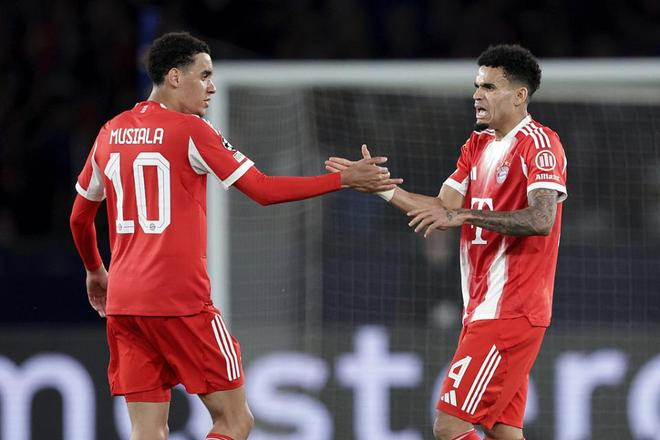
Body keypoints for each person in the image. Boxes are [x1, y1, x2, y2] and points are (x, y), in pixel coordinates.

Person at [69, 32, 401, 440]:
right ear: (174, 77)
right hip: (180, 302)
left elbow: (79, 218)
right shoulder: (192, 130)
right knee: (234, 421)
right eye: (204, 75)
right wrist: (343, 180)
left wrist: (95, 270)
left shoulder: (110, 132)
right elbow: (263, 189)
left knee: (147, 430)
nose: (212, 87)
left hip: (124, 304)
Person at [326, 44, 567, 440]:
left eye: (489, 87)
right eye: (477, 86)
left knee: (450, 425)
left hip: (512, 308)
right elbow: (441, 209)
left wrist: (465, 215)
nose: (477, 95)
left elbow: (541, 220)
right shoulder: (477, 145)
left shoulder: (540, 144)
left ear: (519, 95)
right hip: (483, 308)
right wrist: (379, 187)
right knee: (503, 432)